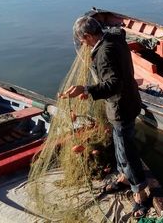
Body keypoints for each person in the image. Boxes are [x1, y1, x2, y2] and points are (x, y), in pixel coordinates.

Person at [61, 14, 149, 219]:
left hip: (121, 107)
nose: (82, 44)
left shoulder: (104, 53)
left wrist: (87, 89)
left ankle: (140, 194)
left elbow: (113, 84)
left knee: (126, 149)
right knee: (119, 144)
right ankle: (123, 178)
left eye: (82, 40)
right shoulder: (114, 37)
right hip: (130, 100)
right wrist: (91, 91)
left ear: (89, 36)